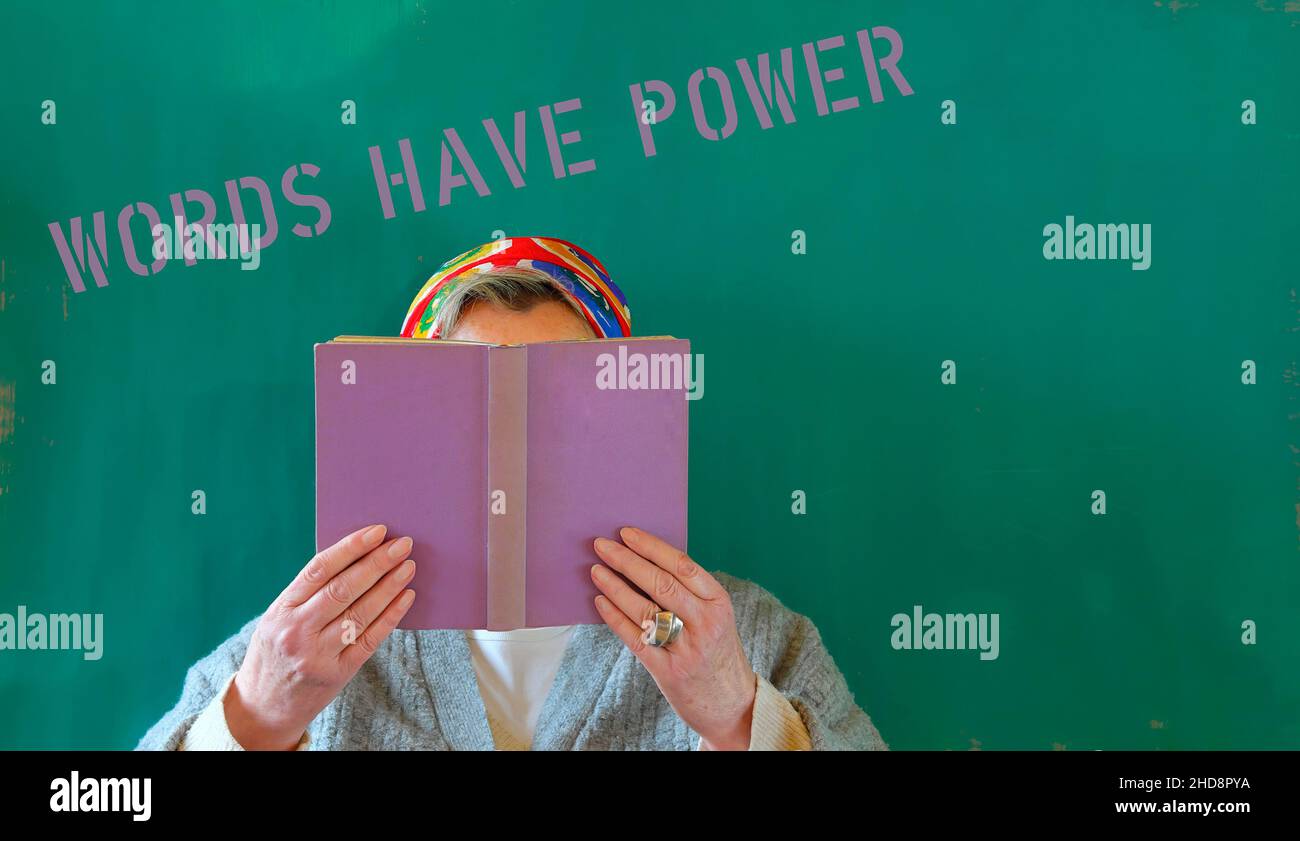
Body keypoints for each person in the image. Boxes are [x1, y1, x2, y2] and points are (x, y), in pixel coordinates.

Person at [139, 236, 887, 751]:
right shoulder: (308, 636)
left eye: (559, 399)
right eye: (473, 401)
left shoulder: (744, 634)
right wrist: (256, 719)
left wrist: (740, 716)